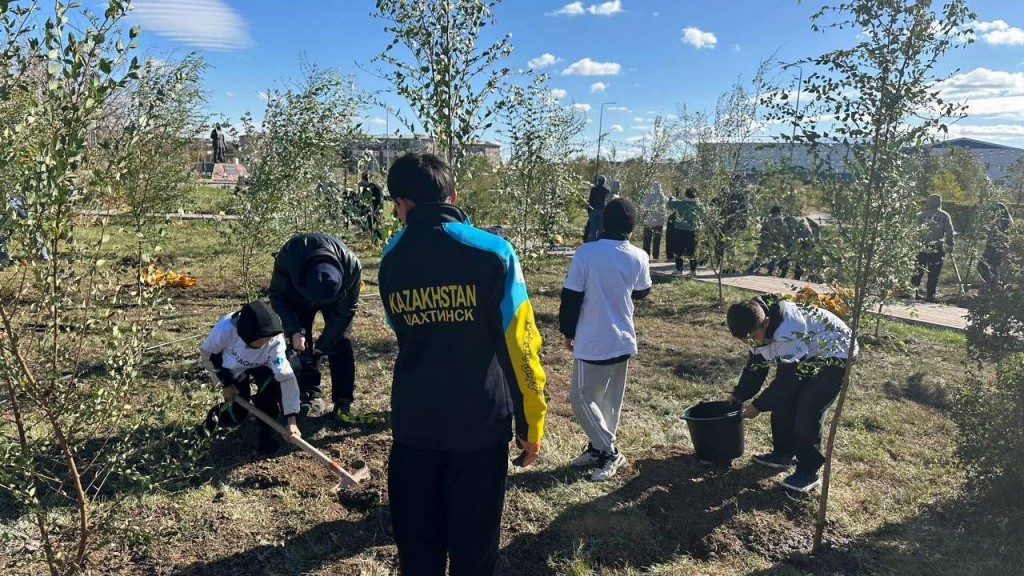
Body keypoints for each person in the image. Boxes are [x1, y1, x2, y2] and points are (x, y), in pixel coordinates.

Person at [378, 152, 547, 575]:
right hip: (480, 427)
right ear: (453, 195)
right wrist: (531, 424)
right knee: (474, 551)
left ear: (403, 204)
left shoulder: (390, 259)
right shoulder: (494, 253)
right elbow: (522, 346)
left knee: (419, 552)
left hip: (415, 426)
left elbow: (403, 333)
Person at [724, 294, 858, 493]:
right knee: (783, 403)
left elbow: (788, 383)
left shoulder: (789, 330)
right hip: (809, 350)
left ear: (766, 323)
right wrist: (739, 395)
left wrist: (757, 406)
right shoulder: (754, 321)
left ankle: (808, 471)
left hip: (835, 352)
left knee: (808, 407)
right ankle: (783, 454)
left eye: (753, 338)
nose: (751, 343)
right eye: (745, 340)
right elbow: (757, 366)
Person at [559, 197, 652, 481]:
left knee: (581, 398)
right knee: (608, 401)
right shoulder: (639, 255)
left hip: (593, 338)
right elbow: (641, 291)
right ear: (632, 227)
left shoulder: (586, 253)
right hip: (622, 338)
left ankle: (609, 452)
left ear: (603, 222)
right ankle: (597, 448)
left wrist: (568, 331)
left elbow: (571, 297)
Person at [268, 233, 362, 420]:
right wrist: (294, 330)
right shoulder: (290, 255)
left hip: (338, 301)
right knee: (302, 346)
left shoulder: (352, 267)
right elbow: (278, 296)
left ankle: (342, 402)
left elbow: (345, 311)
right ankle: (310, 395)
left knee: (340, 342)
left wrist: (323, 346)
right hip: (299, 298)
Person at [201, 301, 302, 455]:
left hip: (264, 366)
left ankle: (266, 435)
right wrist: (225, 383)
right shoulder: (225, 329)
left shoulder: (274, 339)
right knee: (238, 413)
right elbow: (209, 354)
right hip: (234, 368)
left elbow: (285, 376)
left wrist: (291, 419)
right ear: (246, 335)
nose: (263, 344)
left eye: (266, 340)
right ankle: (210, 423)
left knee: (268, 399)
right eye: (259, 341)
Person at [910, 194, 955, 302]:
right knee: (934, 272)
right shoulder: (944, 216)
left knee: (918, 270)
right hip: (936, 248)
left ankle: (912, 291)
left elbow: (914, 231)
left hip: (922, 247)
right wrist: (950, 244)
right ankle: (930, 295)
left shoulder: (921, 215)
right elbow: (949, 232)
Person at [667, 187, 705, 277]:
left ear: (686, 194)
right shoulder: (698, 205)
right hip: (693, 230)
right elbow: (704, 212)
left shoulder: (680, 204)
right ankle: (693, 270)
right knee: (692, 250)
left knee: (678, 250)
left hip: (679, 230)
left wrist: (672, 196)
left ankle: (679, 269)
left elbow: (670, 204)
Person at [977, 202, 1014, 290]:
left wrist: (990, 231)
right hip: (993, 247)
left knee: (984, 265)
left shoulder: (1005, 221)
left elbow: (1001, 234)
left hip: (996, 248)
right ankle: (992, 285)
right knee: (991, 267)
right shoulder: (1002, 220)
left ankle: (991, 284)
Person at [746, 206, 786, 275]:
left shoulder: (770, 218)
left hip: (766, 239)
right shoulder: (782, 219)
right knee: (773, 256)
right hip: (776, 241)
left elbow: (763, 229)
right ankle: (770, 270)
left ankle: (754, 267)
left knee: (761, 254)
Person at [778, 215, 814, 280]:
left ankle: (798, 274)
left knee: (799, 257)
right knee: (798, 257)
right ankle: (797, 273)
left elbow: (794, 236)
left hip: (806, 240)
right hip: (807, 239)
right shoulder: (796, 222)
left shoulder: (794, 224)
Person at [641, 181, 667, 259]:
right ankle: (656, 256)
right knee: (657, 240)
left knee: (647, 240)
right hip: (659, 222)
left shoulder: (649, 196)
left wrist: (642, 217)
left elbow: (645, 206)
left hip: (649, 221)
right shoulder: (663, 197)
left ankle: (646, 256)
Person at [583, 175, 611, 243]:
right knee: (601, 227)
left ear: (598, 181)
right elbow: (607, 202)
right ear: (604, 182)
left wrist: (589, 210)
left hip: (593, 209)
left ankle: (593, 241)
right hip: (602, 210)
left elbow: (590, 200)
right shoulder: (606, 191)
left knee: (593, 227)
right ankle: (599, 241)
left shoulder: (593, 189)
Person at [359, 171, 385, 241]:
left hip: (370, 210)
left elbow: (364, 201)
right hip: (378, 209)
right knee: (378, 226)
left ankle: (374, 240)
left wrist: (362, 211)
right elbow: (381, 199)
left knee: (371, 227)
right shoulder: (377, 187)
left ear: (363, 179)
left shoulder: (366, 188)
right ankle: (379, 240)